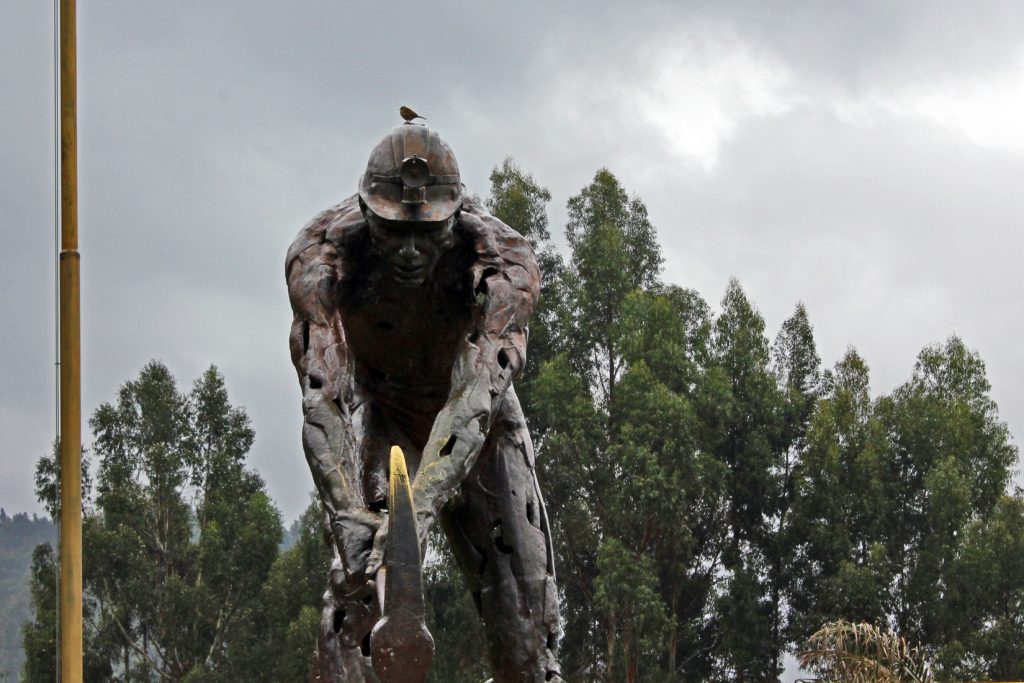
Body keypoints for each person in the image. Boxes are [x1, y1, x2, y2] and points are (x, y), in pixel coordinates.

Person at [286, 120, 562, 683]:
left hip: (482, 433)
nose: (410, 251)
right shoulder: (321, 258)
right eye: (393, 232)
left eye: (426, 234)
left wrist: (420, 509)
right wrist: (349, 512)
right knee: (350, 615)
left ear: (456, 216)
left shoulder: (505, 264)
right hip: (383, 420)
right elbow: (324, 395)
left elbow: (477, 396)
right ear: (366, 214)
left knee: (526, 630)